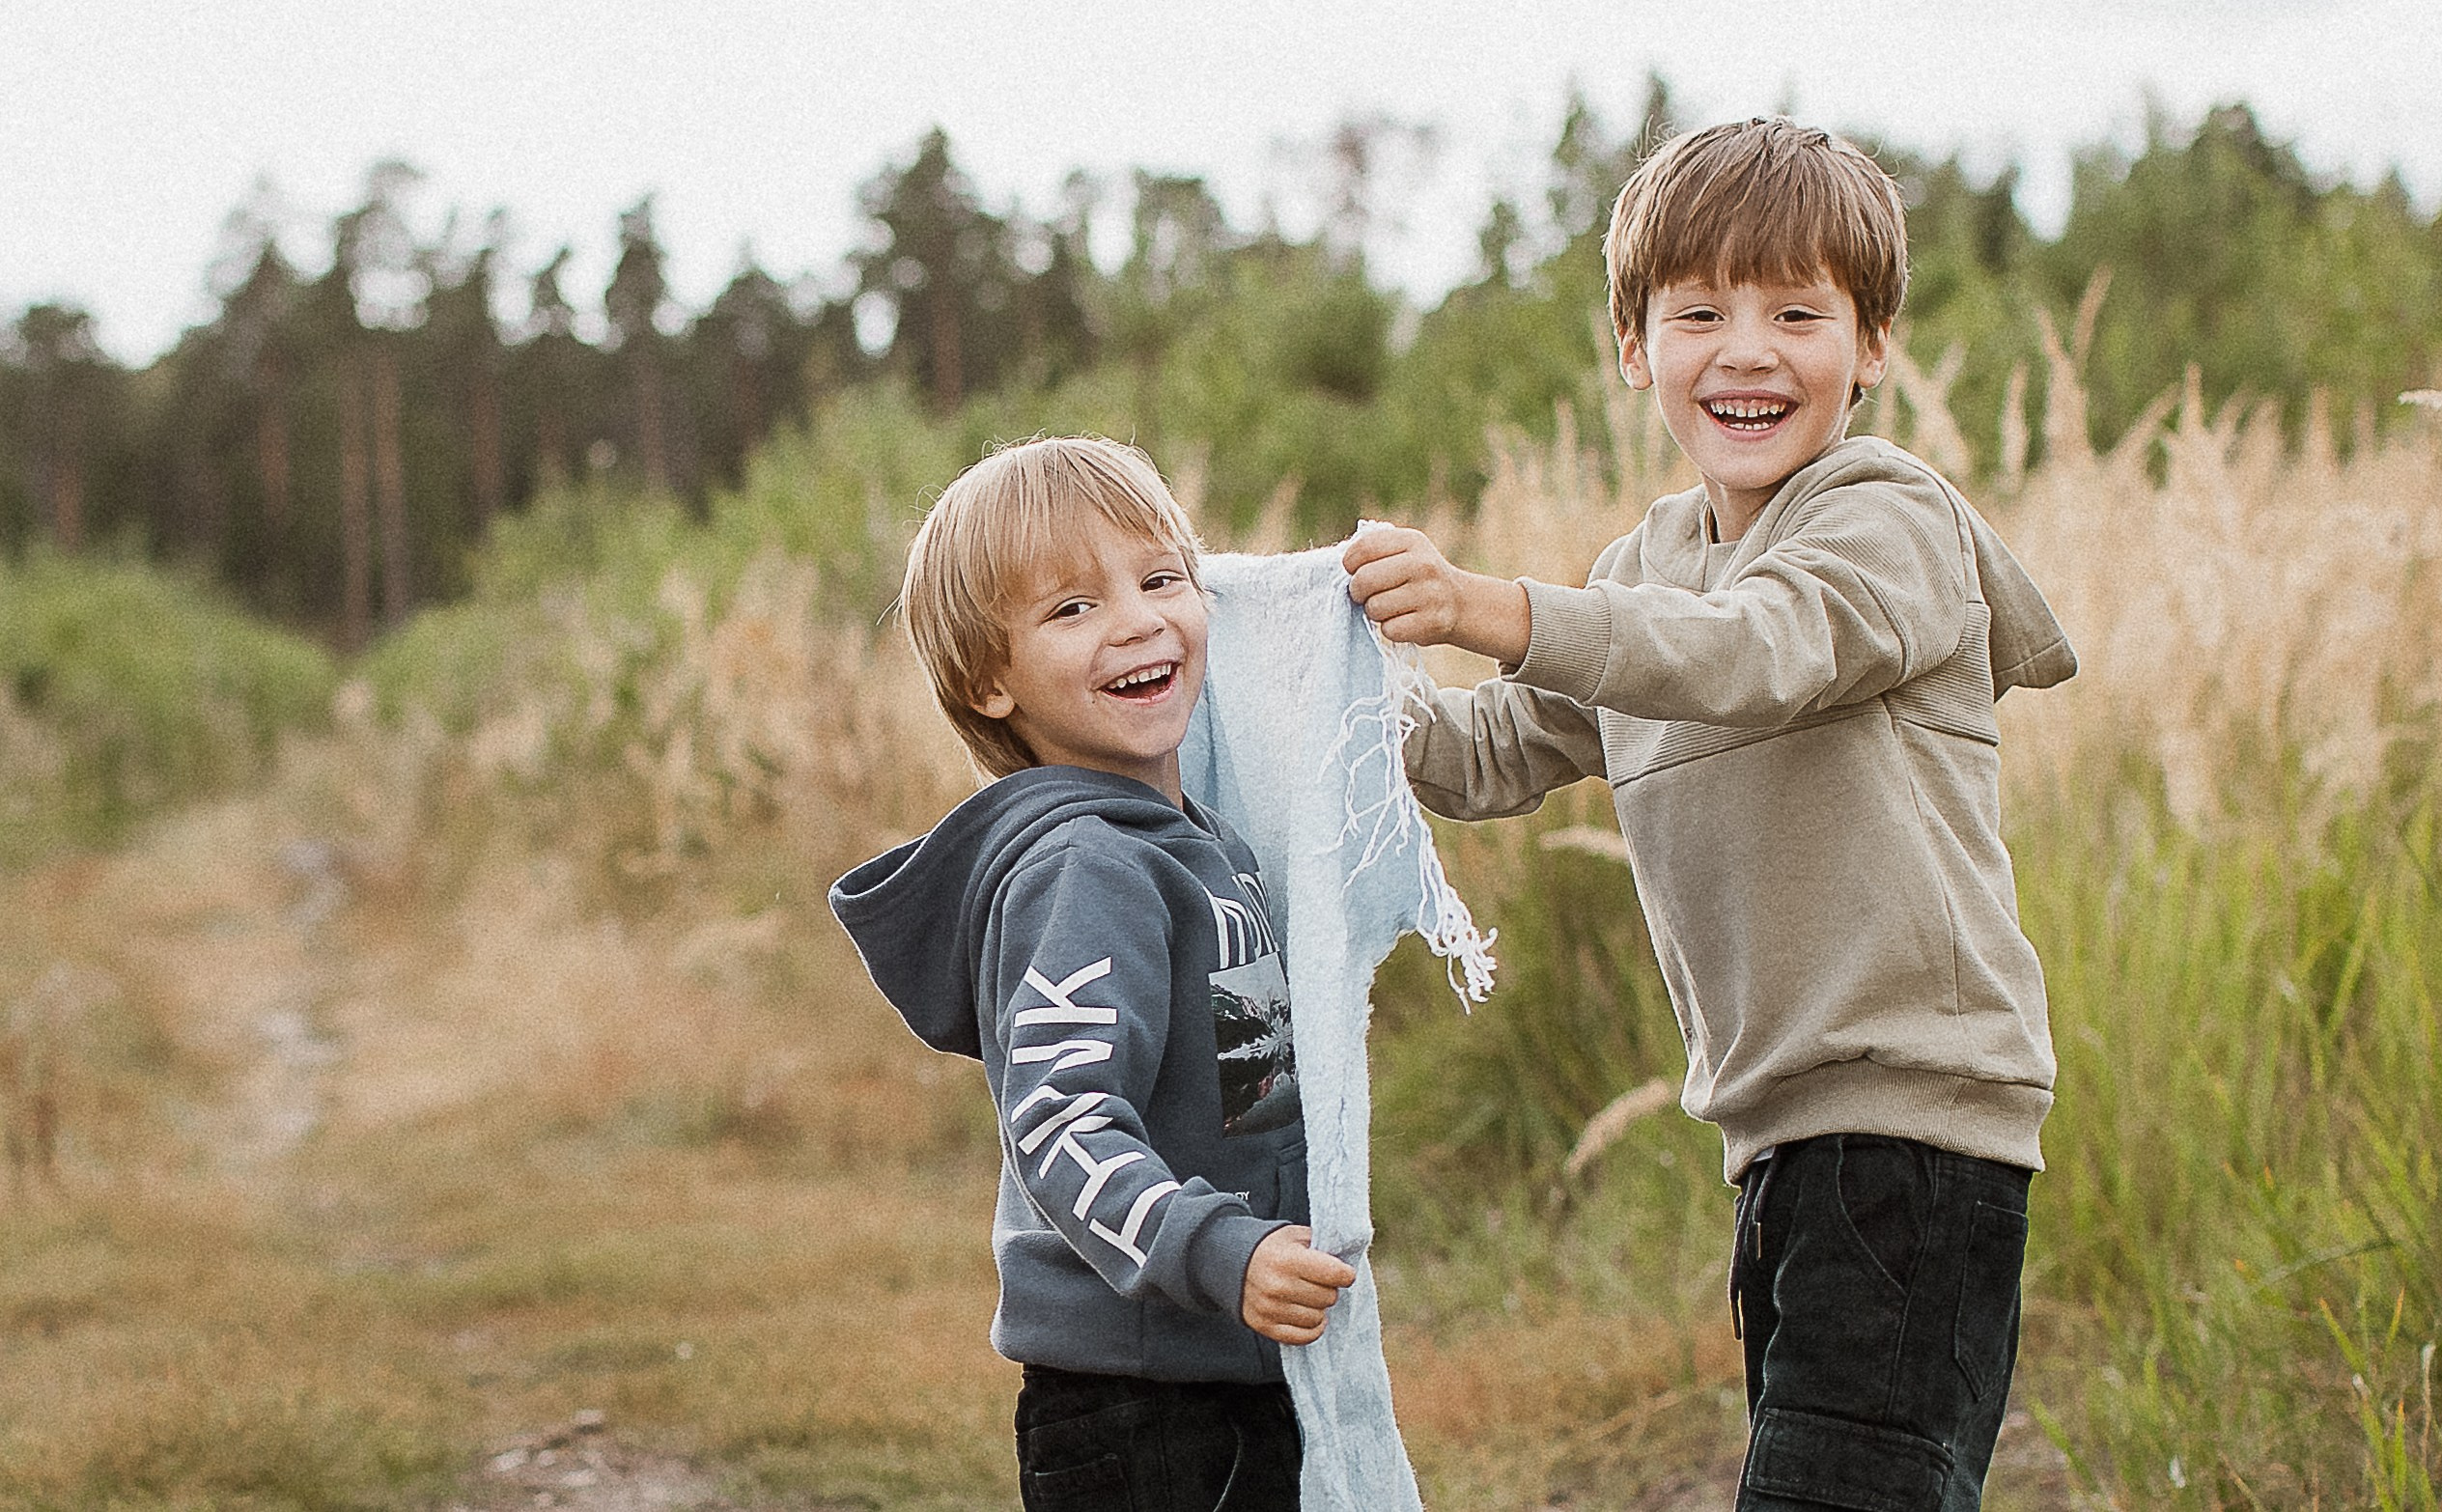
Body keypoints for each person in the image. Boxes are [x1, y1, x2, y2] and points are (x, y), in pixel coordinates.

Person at [1342, 118, 2077, 1510]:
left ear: (1869, 346)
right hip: (1780, 1147)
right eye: (1700, 313)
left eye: (1797, 311)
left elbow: (1754, 652)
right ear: (1636, 348)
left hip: (1915, 1142)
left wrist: (1492, 607)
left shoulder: (1887, 517)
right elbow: (1498, 744)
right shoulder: (1651, 560)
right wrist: (1295, 707)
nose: (1747, 349)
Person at [831, 435, 1355, 1511]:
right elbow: (1060, 1124)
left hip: (1231, 1366)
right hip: (1138, 1403)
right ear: (988, 682)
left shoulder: (1201, 842)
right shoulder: (1087, 867)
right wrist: (1219, 1249)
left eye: (1162, 578)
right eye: (1071, 609)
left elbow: (1250, 1093)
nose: (1136, 620)